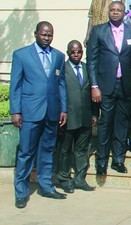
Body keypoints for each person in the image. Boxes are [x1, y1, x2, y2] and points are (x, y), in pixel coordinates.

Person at [10, 21, 68, 208]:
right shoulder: (21, 55)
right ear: (36, 34)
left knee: (47, 151)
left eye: (50, 35)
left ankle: (46, 186)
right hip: (30, 112)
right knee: (26, 153)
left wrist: (63, 109)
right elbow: (15, 85)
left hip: (51, 112)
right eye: (43, 34)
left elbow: (61, 84)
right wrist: (16, 111)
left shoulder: (59, 56)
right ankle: (21, 192)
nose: (47, 38)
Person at [87, 1, 131, 175]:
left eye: (119, 10)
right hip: (105, 86)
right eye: (112, 10)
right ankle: (101, 161)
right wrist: (94, 85)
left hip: (125, 86)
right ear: (108, 11)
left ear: (125, 13)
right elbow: (92, 60)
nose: (115, 13)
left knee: (122, 125)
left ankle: (118, 160)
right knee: (105, 124)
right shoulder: (98, 31)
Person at [55, 40, 96, 194]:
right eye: (73, 52)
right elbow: (57, 94)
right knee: (64, 150)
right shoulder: (62, 69)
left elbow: (93, 92)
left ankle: (80, 179)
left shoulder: (87, 69)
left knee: (82, 150)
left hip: (85, 117)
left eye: (79, 52)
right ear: (68, 53)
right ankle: (64, 179)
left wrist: (94, 113)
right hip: (68, 118)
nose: (76, 54)